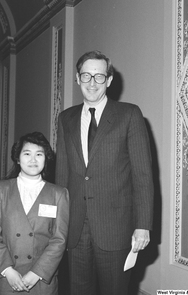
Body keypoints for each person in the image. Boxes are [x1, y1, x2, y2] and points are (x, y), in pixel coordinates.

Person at [55, 50, 154, 295]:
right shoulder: (65, 118)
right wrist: (58, 223)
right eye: (86, 75)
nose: (92, 82)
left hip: (116, 227)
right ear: (77, 79)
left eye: (99, 76)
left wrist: (143, 225)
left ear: (109, 80)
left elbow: (143, 175)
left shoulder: (129, 114)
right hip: (76, 228)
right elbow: (61, 175)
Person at [0, 131, 69, 295]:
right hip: (8, 278)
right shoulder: (0, 189)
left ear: (46, 158)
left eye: (39, 154)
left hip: (42, 280)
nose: (33, 160)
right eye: (27, 153)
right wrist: (7, 270)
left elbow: (59, 240)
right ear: (17, 158)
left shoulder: (59, 194)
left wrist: (37, 273)